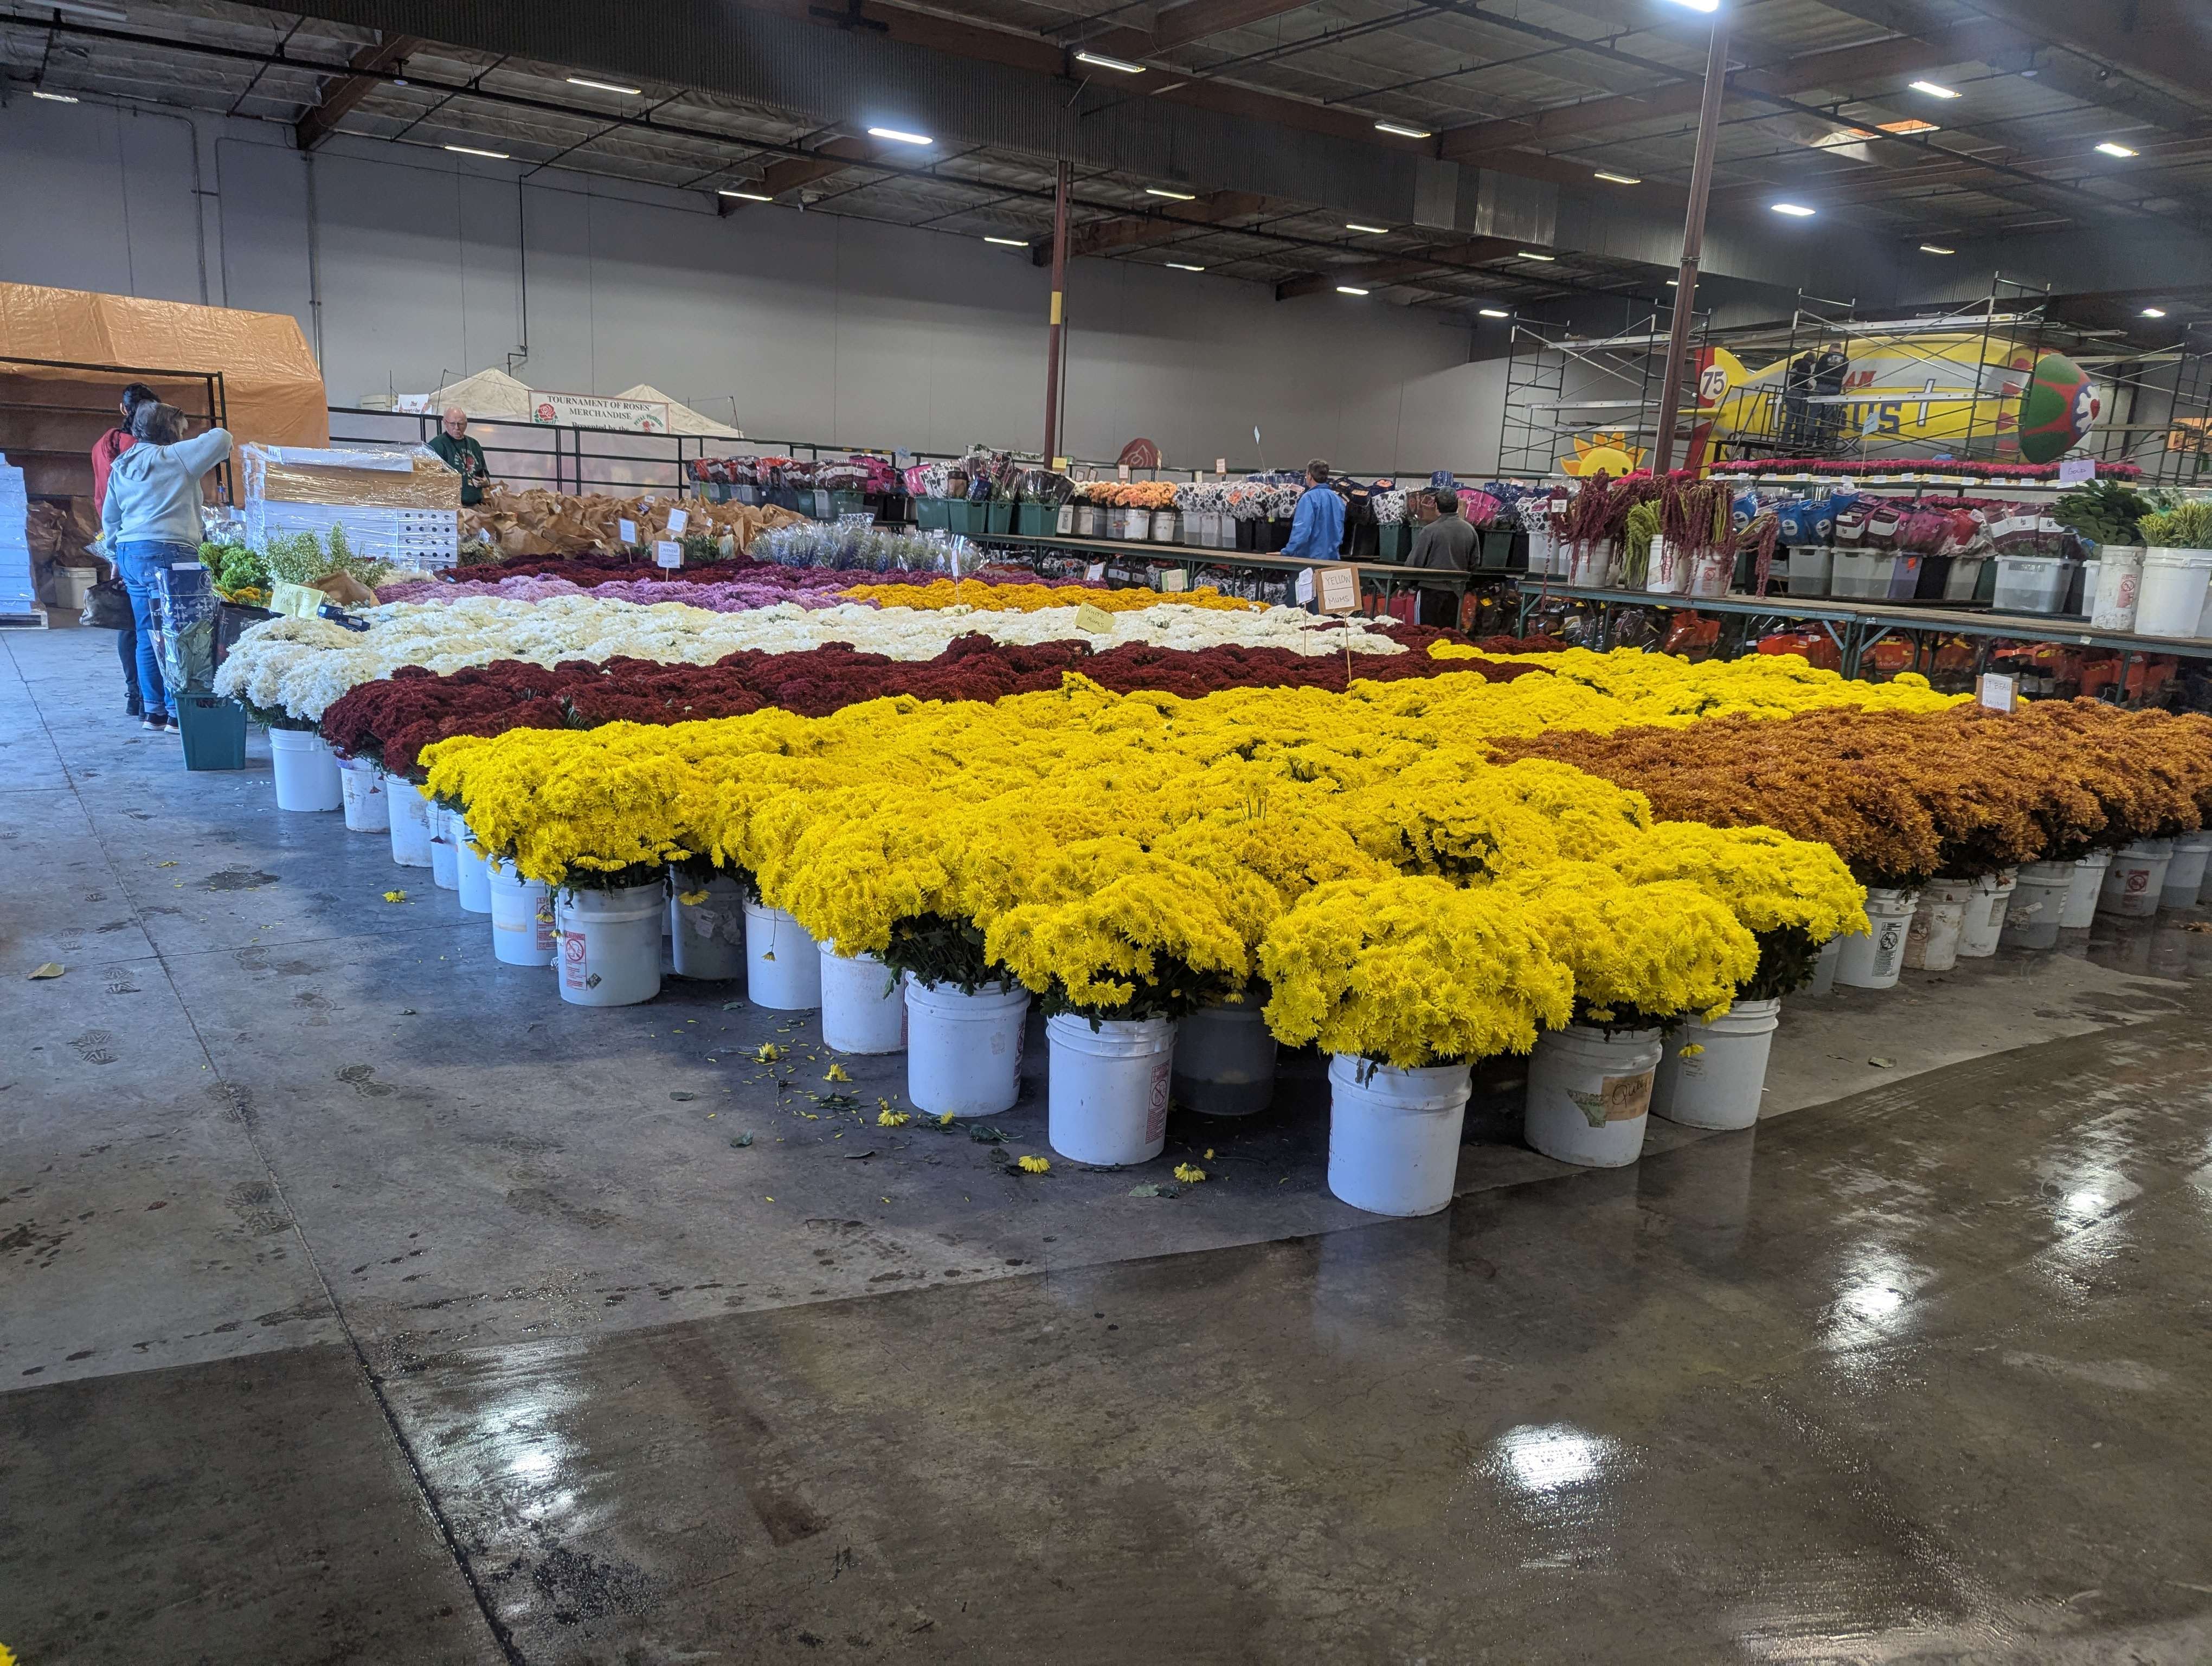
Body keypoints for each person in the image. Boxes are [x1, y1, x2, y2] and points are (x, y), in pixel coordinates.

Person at [99, 403, 232, 733]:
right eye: (181, 428)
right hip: (169, 550)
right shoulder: (176, 458)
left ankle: (154, 712)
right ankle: (178, 712)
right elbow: (223, 438)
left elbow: (110, 517)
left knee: (146, 634)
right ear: (170, 430)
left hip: (131, 553)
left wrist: (114, 557)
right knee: (181, 633)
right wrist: (180, 439)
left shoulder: (122, 465)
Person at [91, 382, 159, 718]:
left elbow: (102, 498)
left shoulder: (101, 444)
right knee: (147, 624)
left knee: (127, 617)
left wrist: (112, 547)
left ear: (124, 409)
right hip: (143, 537)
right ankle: (156, 702)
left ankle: (135, 696)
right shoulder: (144, 448)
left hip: (113, 533)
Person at [1409, 486, 1478, 628]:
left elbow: (1415, 562)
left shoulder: (1430, 531)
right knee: (1449, 637)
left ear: (1436, 506)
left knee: (1423, 635)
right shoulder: (1470, 530)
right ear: (1457, 504)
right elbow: (1474, 562)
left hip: (1429, 592)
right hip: (1455, 593)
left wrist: (1404, 585)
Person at [1282, 458, 1346, 563]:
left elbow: (1302, 531)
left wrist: (1287, 552)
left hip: (1308, 561)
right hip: (1332, 560)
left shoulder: (1308, 498)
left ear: (1310, 475)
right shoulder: (1338, 500)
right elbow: (1339, 531)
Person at [427, 407, 492, 506]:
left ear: (466, 424)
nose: (457, 428)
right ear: (445, 422)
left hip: (476, 505)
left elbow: (485, 474)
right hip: (451, 506)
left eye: (461, 424)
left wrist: (485, 482)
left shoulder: (474, 444)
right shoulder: (437, 445)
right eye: (452, 424)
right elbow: (431, 480)